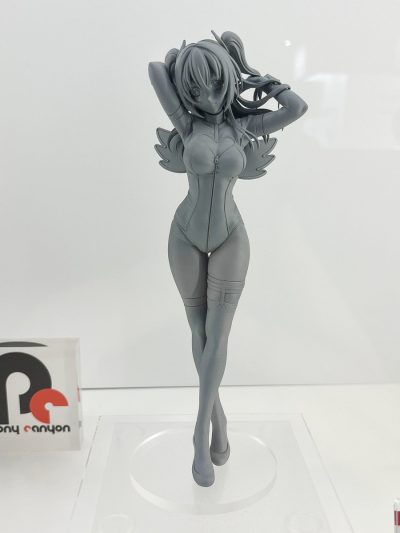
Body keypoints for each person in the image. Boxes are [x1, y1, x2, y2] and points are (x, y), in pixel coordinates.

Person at [148, 30, 308, 487]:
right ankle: (219, 419)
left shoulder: (246, 127)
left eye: (217, 84)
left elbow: (297, 108)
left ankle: (200, 434)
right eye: (196, 88)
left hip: (231, 238)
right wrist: (192, 67)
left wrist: (251, 75)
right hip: (184, 236)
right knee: (198, 332)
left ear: (228, 80)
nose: (209, 96)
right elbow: (155, 70)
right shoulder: (186, 123)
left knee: (217, 339)